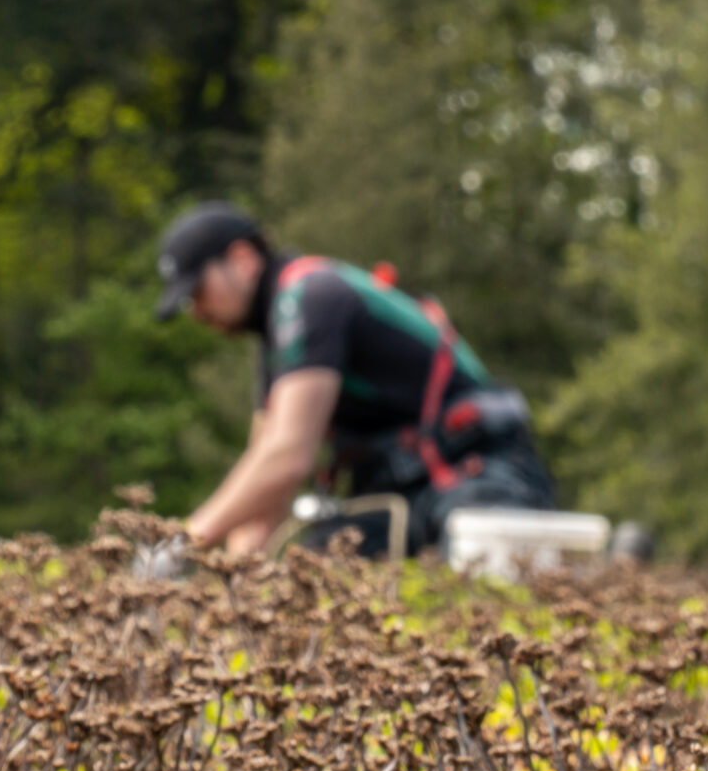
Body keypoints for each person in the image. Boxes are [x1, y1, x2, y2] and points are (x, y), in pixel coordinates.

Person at [151, 201, 556, 559]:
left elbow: (288, 455)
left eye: (198, 291)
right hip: (395, 494)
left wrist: (183, 545)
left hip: (476, 474)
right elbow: (264, 479)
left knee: (488, 596)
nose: (197, 312)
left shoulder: (310, 295)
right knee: (315, 591)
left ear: (242, 259)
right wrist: (233, 586)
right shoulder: (274, 343)